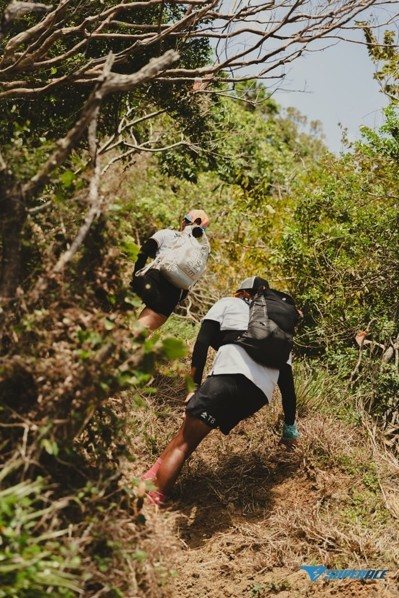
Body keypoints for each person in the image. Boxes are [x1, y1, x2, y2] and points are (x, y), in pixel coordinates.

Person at [143, 276, 301, 505]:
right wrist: (289, 430)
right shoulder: (280, 332)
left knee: (184, 443)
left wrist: (193, 387)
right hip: (257, 397)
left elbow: (202, 343)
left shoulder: (229, 303)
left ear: (246, 293)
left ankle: (152, 500)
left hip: (227, 379)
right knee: (188, 432)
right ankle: (149, 477)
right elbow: (288, 387)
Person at [131, 209, 210, 331]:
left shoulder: (166, 234)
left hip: (152, 280)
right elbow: (192, 281)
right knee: (136, 335)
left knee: (114, 316)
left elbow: (143, 252)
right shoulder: (200, 251)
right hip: (170, 296)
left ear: (184, 221)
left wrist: (136, 276)